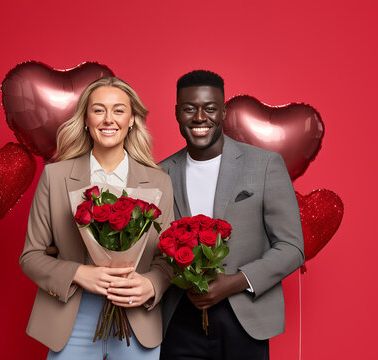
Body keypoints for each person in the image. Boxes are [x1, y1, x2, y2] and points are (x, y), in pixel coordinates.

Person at [20, 77, 174, 360]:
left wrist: (151, 284)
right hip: (69, 320)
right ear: (86, 120)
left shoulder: (159, 181)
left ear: (131, 120)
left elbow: (167, 259)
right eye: (98, 110)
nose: (108, 119)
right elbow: (31, 256)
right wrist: (78, 274)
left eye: (118, 110)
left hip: (137, 320)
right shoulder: (55, 177)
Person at [159, 70, 305, 360]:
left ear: (223, 111)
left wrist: (236, 281)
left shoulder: (264, 165)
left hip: (245, 318)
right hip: (179, 320)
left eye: (210, 108)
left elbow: (292, 247)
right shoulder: (159, 173)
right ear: (177, 113)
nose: (200, 117)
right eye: (189, 109)